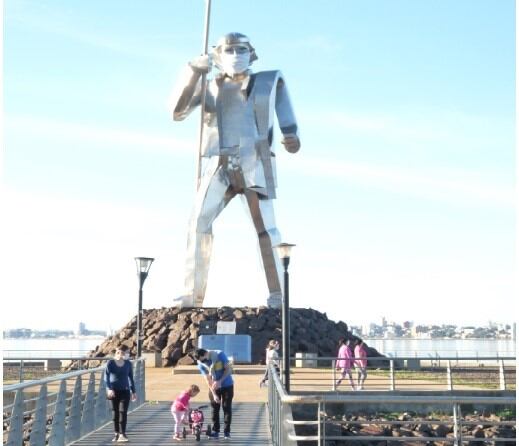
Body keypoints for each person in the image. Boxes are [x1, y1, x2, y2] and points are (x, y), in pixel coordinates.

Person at [171, 32, 301, 309]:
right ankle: (191, 293)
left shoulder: (268, 81)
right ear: (217, 55)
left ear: (251, 53)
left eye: (240, 49)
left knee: (266, 228)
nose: (235, 54)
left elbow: (287, 118)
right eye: (228, 49)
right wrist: (192, 72)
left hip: (254, 161)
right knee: (198, 223)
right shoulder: (209, 84)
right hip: (219, 162)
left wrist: (292, 136)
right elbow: (177, 111)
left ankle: (278, 295)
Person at [193, 348, 234, 439]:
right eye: (200, 361)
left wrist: (220, 381)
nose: (203, 362)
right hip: (214, 387)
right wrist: (214, 394)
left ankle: (227, 432)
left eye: (203, 359)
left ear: (206, 353)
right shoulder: (201, 363)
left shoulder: (219, 354)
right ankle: (215, 431)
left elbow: (228, 369)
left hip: (227, 384)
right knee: (215, 408)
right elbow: (208, 380)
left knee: (226, 407)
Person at [105, 346, 137, 442]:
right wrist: (109, 389)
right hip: (113, 391)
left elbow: (131, 378)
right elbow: (106, 377)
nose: (128, 354)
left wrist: (133, 391)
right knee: (115, 413)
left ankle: (122, 434)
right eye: (126, 352)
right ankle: (116, 433)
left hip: (125, 391)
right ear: (119, 353)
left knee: (123, 412)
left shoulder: (128, 363)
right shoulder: (110, 363)